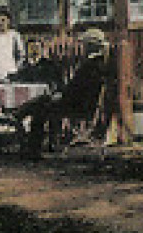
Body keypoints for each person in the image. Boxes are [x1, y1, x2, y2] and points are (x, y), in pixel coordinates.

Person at [14, 27, 110, 160]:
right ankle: (22, 119)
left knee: (40, 108)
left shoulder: (91, 65)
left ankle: (31, 146)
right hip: (78, 103)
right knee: (43, 101)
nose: (82, 47)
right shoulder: (96, 63)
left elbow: (75, 88)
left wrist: (61, 95)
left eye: (84, 45)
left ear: (90, 46)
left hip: (77, 106)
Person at [0, 6, 25, 82]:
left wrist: (15, 70)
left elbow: (21, 55)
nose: (0, 23)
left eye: (3, 20)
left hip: (11, 73)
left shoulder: (14, 35)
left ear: (8, 20)